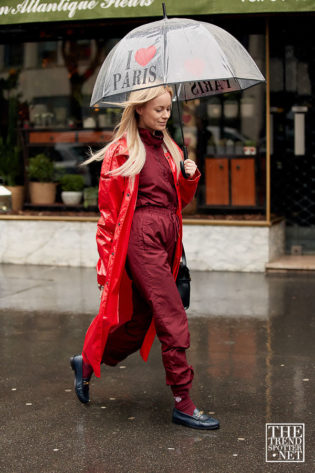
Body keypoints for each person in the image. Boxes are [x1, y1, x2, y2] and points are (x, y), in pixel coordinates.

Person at [70, 85, 220, 430]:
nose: (166, 115)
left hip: (167, 237)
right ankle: (183, 401)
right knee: (170, 314)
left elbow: (177, 201)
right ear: (139, 109)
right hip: (140, 239)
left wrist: (189, 175)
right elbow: (108, 214)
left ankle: (88, 362)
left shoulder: (169, 147)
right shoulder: (123, 151)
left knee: (138, 324)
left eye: (168, 109)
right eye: (158, 109)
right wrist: (107, 265)